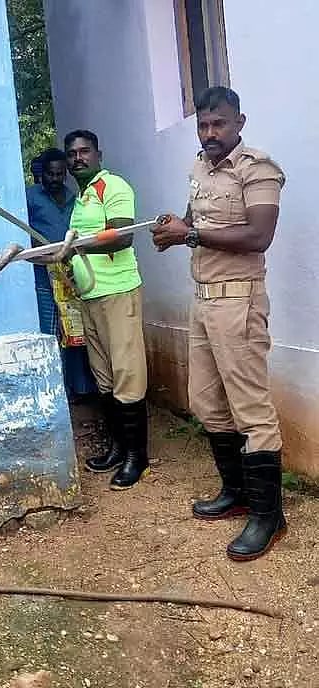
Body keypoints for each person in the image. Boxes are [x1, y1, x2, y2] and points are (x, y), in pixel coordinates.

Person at [152, 87, 286, 561]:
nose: (210, 133)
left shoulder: (258, 169)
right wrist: (176, 230)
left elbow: (258, 235)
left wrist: (189, 234)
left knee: (251, 409)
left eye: (219, 124)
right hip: (203, 300)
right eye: (203, 125)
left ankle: (269, 516)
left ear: (239, 123)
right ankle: (238, 493)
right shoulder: (199, 166)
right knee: (206, 402)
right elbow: (196, 221)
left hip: (239, 300)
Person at [64, 129, 149, 490]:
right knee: (104, 376)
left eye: (84, 151)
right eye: (72, 154)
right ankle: (118, 448)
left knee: (127, 373)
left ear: (99, 154)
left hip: (118, 292)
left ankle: (136, 457)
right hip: (90, 296)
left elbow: (122, 235)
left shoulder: (112, 187)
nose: (78, 158)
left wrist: (74, 248)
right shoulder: (82, 198)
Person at [26, 147, 96, 400]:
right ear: (42, 173)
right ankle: (57, 392)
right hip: (43, 276)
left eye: (59, 174)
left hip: (70, 274)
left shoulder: (73, 198)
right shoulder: (30, 197)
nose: (55, 179)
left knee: (75, 331)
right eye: (50, 174)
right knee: (51, 332)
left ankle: (81, 389)